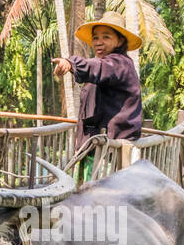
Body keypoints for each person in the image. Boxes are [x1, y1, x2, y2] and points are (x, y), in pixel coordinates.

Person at [52, 11, 143, 146]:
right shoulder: (105, 66)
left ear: (120, 41)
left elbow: (97, 67)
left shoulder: (119, 63)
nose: (99, 42)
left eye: (106, 37)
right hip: (98, 146)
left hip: (113, 150)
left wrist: (72, 63)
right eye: (95, 38)